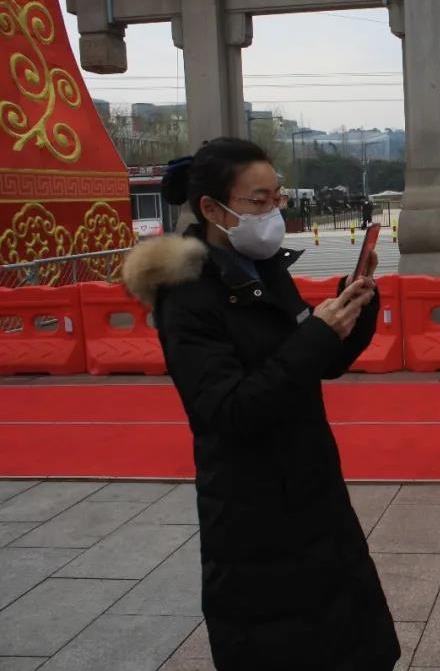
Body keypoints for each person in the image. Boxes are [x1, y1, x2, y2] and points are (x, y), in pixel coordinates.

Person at [121, 138, 400, 671]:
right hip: (253, 515)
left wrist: (352, 306)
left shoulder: (261, 267)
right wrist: (316, 334)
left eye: (278, 198)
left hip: (313, 491)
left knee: (353, 643)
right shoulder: (188, 297)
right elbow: (230, 409)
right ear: (211, 208)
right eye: (258, 200)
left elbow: (319, 362)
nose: (273, 212)